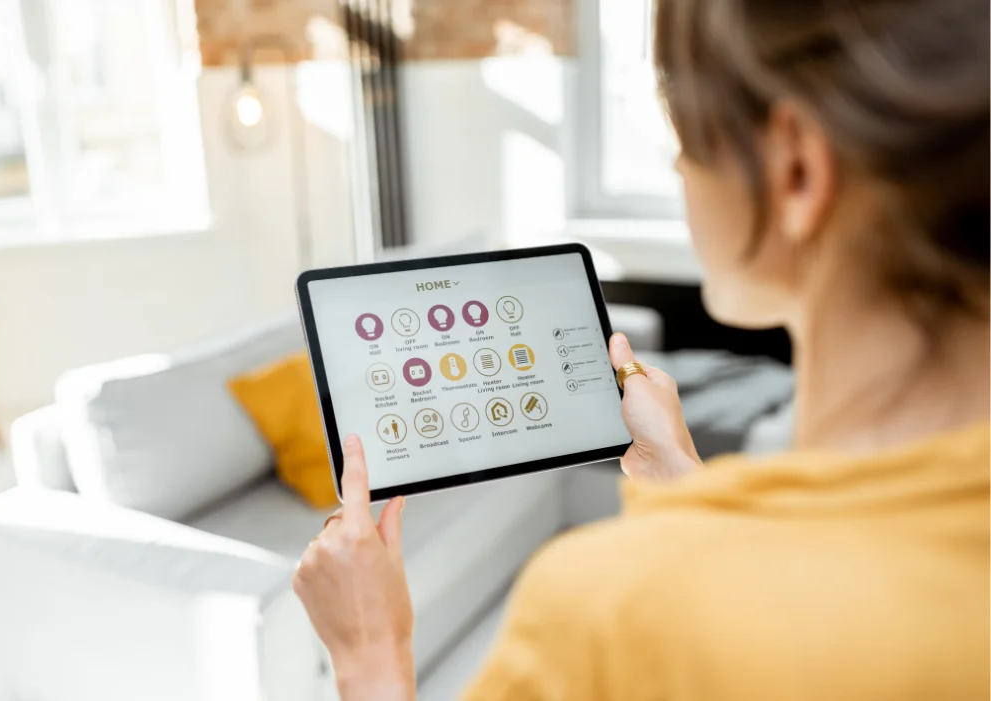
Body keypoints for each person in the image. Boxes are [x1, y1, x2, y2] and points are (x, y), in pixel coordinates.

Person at [292, 0, 990, 698]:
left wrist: (370, 649)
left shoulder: (602, 615)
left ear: (796, 169)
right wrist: (680, 473)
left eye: (684, 135)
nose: (681, 172)